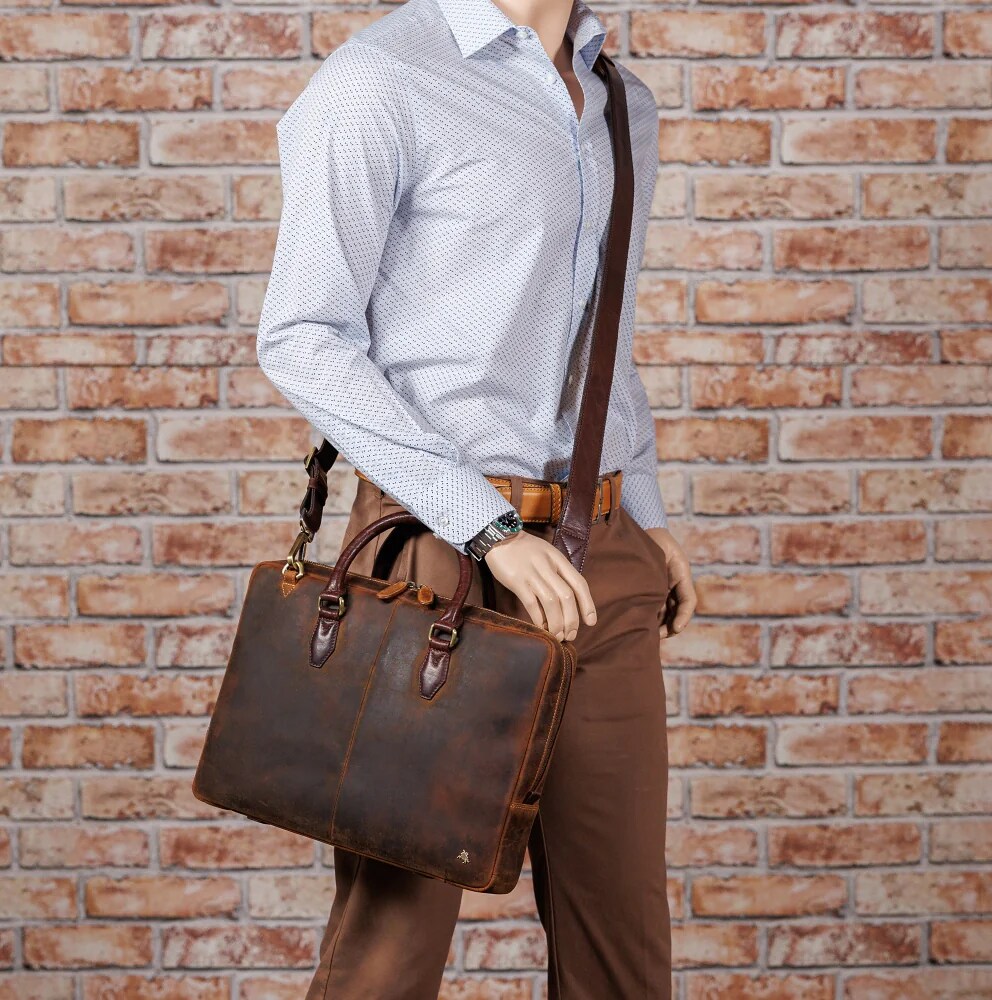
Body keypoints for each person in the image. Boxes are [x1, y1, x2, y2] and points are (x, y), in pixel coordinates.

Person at [255, 0, 696, 995]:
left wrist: (647, 514)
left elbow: (605, 340)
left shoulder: (623, 103)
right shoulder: (381, 78)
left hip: (598, 560)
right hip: (433, 557)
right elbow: (303, 335)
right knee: (391, 946)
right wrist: (486, 527)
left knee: (622, 947)